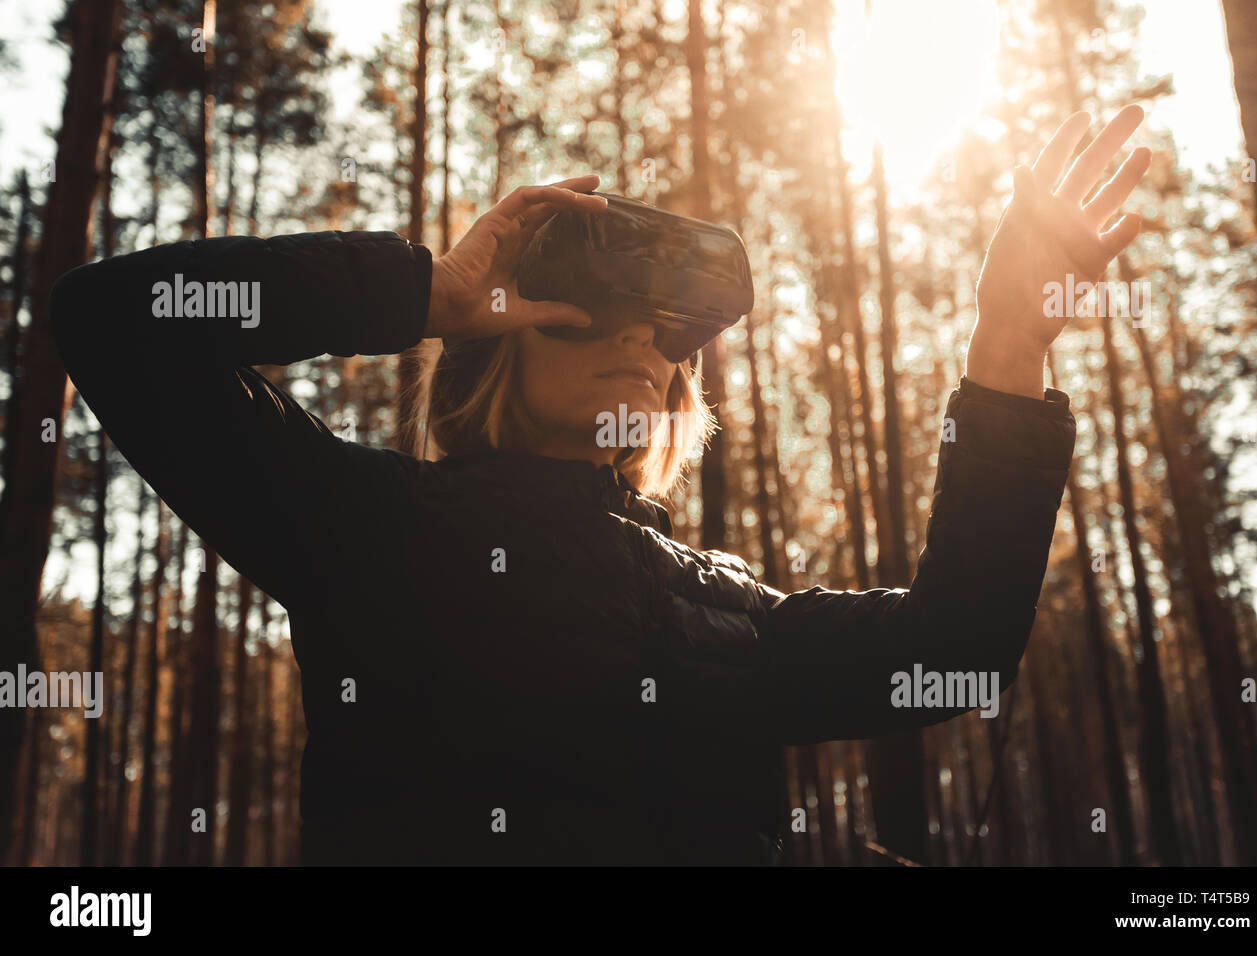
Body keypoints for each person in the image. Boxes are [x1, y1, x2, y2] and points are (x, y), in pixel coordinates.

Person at [51, 107, 1150, 865]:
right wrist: (423, 290)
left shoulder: (733, 609)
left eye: (664, 327)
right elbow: (115, 323)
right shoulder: (369, 527)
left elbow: (954, 653)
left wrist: (1005, 338)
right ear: (499, 344)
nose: (639, 336)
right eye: (587, 307)